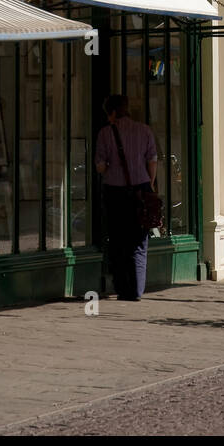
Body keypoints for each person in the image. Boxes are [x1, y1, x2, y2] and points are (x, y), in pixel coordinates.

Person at [95, 95, 157, 301]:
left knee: (118, 240)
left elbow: (101, 166)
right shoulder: (145, 130)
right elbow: (152, 161)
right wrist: (150, 184)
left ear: (112, 113)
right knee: (139, 240)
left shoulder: (105, 133)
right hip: (141, 189)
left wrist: (111, 169)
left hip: (115, 192)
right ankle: (137, 290)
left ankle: (122, 288)